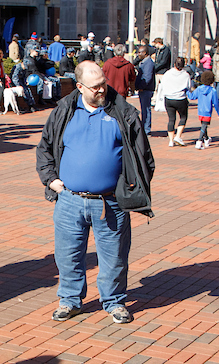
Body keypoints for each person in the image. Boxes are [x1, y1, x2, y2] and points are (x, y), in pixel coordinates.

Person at [35, 60, 154, 325]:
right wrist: (50, 179)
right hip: (69, 201)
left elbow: (144, 157)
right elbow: (45, 148)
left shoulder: (123, 112)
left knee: (113, 257)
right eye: (96, 86)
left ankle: (114, 301)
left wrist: (129, 188)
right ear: (79, 87)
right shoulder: (64, 111)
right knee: (68, 255)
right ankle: (70, 300)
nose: (102, 89)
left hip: (109, 202)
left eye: (104, 83)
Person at [160, 56, 192, 147]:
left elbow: (162, 85)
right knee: (183, 117)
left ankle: (171, 140)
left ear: (174, 64)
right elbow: (189, 87)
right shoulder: (186, 74)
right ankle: (178, 136)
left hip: (169, 98)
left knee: (171, 119)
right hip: (180, 98)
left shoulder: (168, 73)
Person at [187, 70, 219, 149]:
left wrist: (187, 91)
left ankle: (206, 139)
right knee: (203, 126)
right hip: (207, 111)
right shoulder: (213, 91)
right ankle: (199, 141)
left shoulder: (199, 89)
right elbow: (216, 103)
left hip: (200, 111)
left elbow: (192, 97)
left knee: (204, 125)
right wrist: (218, 112)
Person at [134, 46, 156, 135]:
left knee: (146, 109)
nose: (138, 54)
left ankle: (146, 129)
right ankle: (145, 127)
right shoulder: (143, 62)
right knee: (144, 109)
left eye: (140, 52)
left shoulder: (148, 63)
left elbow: (147, 77)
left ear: (145, 53)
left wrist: (142, 86)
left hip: (146, 89)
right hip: (143, 89)